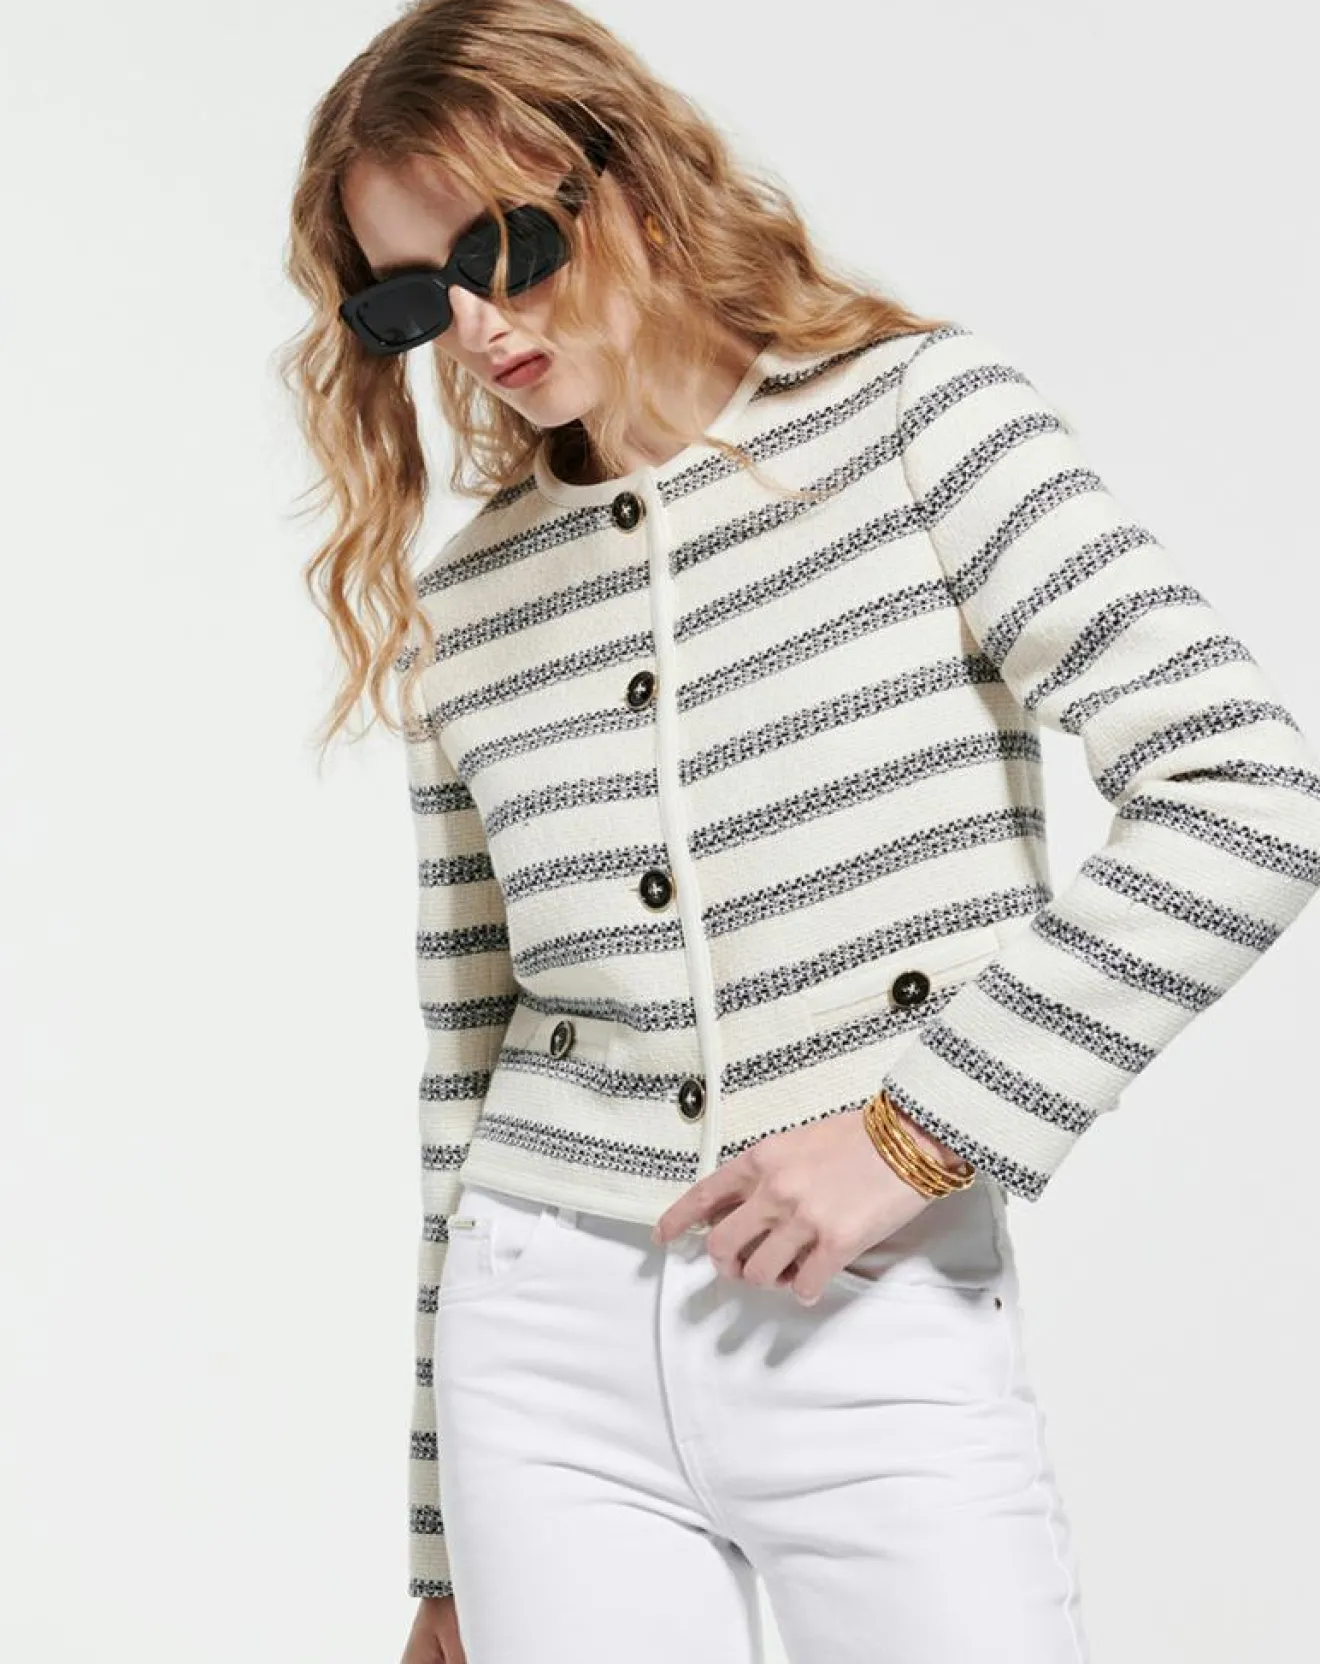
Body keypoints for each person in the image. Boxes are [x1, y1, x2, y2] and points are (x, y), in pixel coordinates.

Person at [276, 3, 1320, 1662]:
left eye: (506, 247)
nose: (475, 326)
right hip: (540, 1355)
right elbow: (467, 1062)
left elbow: (1246, 788)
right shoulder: (472, 603)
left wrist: (913, 1135)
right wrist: (442, 1542)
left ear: (635, 181)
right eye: (411, 298)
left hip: (872, 1314)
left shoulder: (920, 423)